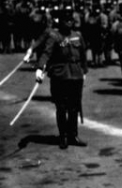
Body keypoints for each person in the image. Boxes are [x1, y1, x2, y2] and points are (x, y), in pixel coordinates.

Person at [35, 9, 88, 149]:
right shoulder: (54, 36)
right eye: (66, 20)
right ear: (60, 21)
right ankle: (63, 136)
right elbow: (46, 53)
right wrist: (40, 68)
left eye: (71, 20)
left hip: (76, 76)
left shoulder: (78, 36)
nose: (69, 23)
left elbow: (83, 54)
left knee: (74, 108)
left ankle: (73, 135)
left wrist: (84, 71)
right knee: (61, 107)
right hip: (60, 76)